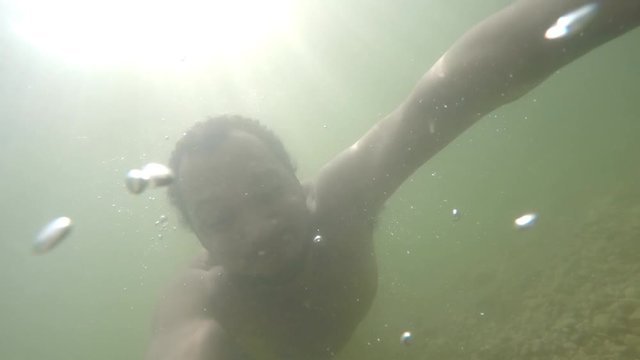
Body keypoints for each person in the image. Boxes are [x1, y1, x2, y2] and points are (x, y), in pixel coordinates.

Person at [145, 1, 640, 359]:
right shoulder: (199, 296)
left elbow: (458, 84)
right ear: (200, 237)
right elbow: (182, 344)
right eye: (220, 219)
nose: (258, 230)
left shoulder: (342, 200)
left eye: (268, 192)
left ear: (298, 182)